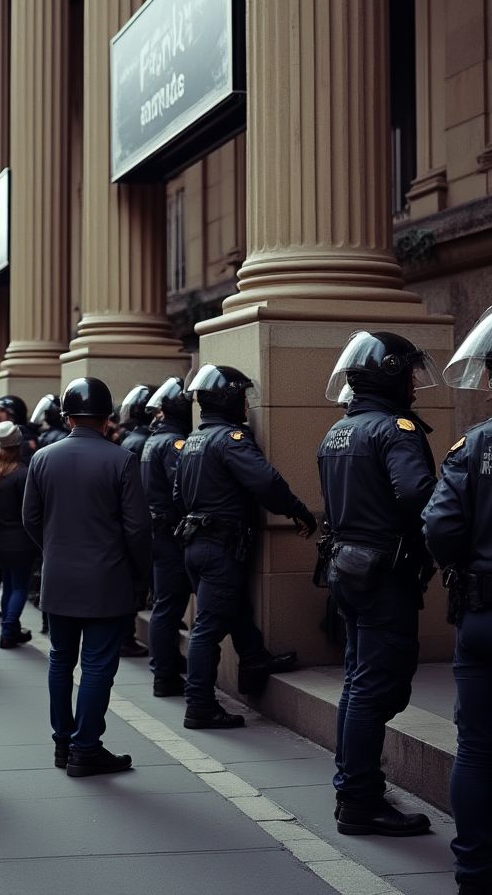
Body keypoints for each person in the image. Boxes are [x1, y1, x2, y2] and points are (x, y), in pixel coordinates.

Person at [317, 331, 438, 838]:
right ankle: (360, 799)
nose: (414, 383)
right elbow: (417, 496)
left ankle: (355, 786)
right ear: (389, 374)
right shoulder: (395, 429)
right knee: (375, 685)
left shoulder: (339, 430)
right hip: (385, 574)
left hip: (348, 569)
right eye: (409, 372)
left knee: (358, 681)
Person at [23, 377, 152, 777]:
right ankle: (86, 747)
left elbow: (30, 518)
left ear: (67, 417)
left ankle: (63, 743)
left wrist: (54, 550)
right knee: (97, 665)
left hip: (59, 577)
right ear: (107, 418)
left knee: (61, 660)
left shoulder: (42, 458)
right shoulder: (121, 459)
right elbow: (137, 529)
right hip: (106, 579)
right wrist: (141, 574)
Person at [175, 364, 315, 730]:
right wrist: (298, 510)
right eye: (241, 397)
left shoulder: (193, 440)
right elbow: (266, 482)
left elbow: (178, 495)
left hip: (195, 543)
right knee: (208, 628)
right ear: (227, 399)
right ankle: (199, 707)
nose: (246, 405)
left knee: (233, 607)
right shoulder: (230, 439)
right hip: (219, 546)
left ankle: (253, 658)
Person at [423, 309, 492, 892]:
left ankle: (474, 873)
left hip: (481, 611)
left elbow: (440, 526)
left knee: (475, 747)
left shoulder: (473, 445)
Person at [140, 376, 193, 697]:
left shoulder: (154, 440)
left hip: (157, 530)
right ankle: (165, 674)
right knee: (169, 606)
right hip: (169, 532)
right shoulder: (174, 442)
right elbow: (181, 489)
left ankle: (166, 665)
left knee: (165, 603)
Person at [0, 420, 40, 649]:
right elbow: (31, 510)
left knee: (8, 585)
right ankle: (8, 630)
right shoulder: (23, 474)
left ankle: (11, 630)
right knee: (19, 587)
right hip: (21, 539)